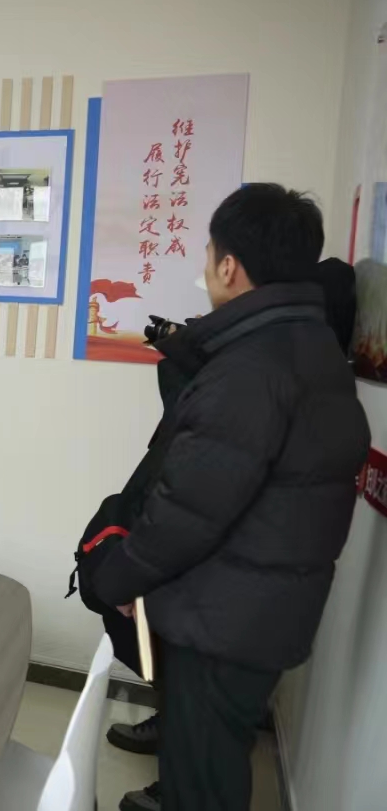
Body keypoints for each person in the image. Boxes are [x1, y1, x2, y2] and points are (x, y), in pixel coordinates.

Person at [90, 185, 370, 811]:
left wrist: (119, 579)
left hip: (223, 621)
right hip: (258, 611)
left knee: (202, 782)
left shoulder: (250, 370)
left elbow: (187, 510)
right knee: (210, 765)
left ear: (229, 266)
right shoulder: (310, 346)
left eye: (208, 252)